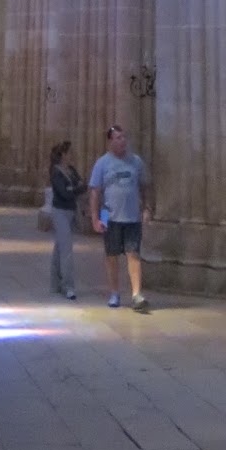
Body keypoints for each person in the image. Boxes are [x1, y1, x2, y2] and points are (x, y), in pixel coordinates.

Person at [88, 124, 152, 311]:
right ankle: (114, 292)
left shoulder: (136, 162)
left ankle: (136, 294)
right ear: (110, 141)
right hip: (108, 214)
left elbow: (145, 185)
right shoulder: (102, 163)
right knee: (112, 255)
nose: (123, 141)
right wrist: (95, 218)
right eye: (118, 138)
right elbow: (95, 192)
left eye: (124, 137)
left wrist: (147, 208)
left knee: (134, 254)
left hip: (132, 215)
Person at [48, 140, 84, 299]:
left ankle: (55, 283)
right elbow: (65, 193)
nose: (72, 156)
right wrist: (75, 189)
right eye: (69, 153)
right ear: (63, 155)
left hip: (70, 211)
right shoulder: (56, 172)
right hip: (60, 211)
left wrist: (74, 189)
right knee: (66, 248)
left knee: (59, 248)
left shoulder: (70, 170)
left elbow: (79, 185)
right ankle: (68, 286)